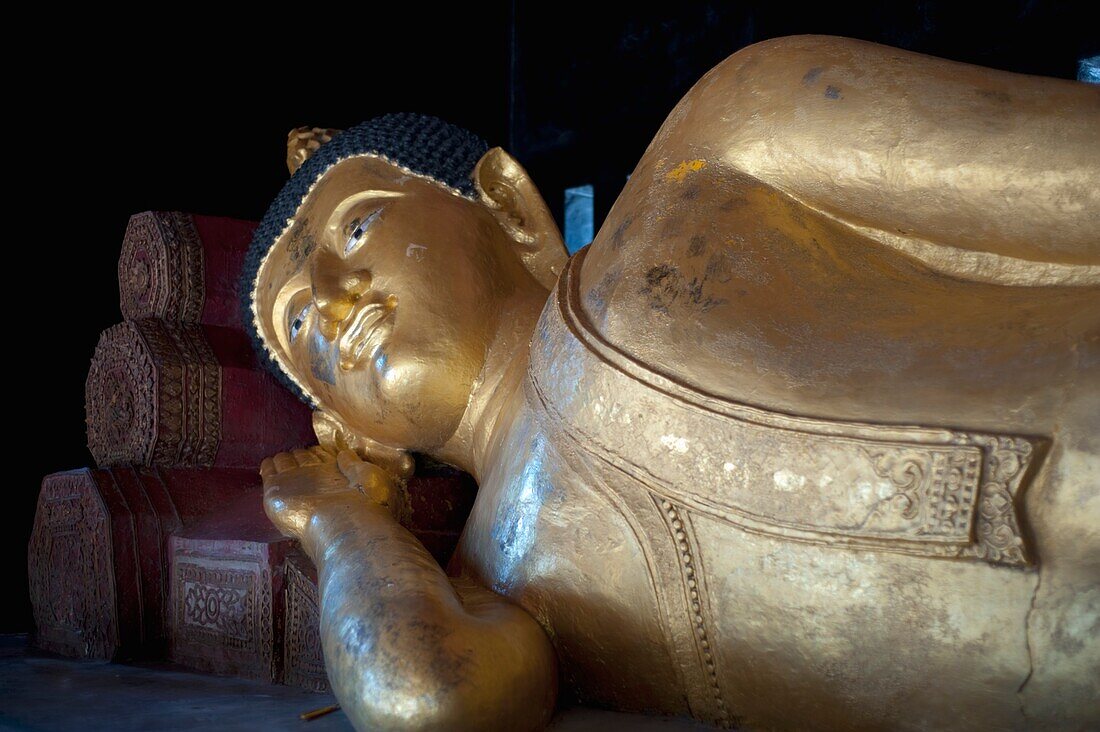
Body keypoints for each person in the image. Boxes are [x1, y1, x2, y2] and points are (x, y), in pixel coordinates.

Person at [243, 36, 1099, 731]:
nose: (326, 299)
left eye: (358, 225)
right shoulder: (489, 586)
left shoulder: (714, 158)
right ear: (349, 430)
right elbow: (426, 699)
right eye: (293, 323)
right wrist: (340, 515)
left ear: (508, 206)